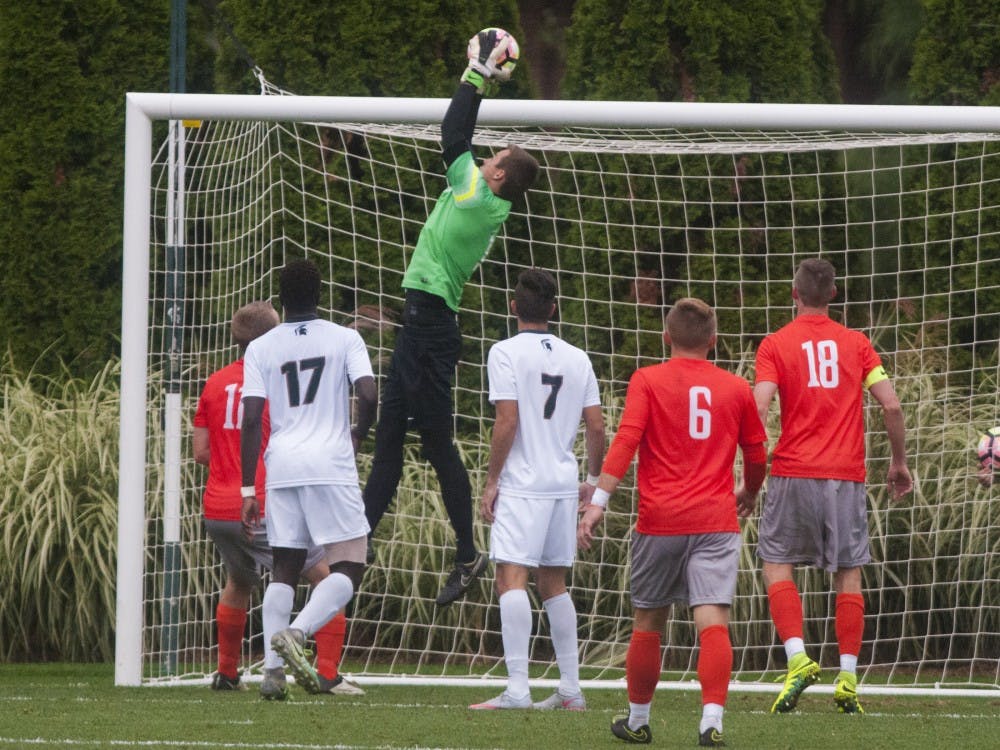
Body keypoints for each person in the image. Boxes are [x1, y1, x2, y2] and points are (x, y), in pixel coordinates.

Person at [363, 30, 541, 607]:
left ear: (495, 176)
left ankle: (466, 552)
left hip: (432, 329)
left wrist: (477, 74)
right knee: (390, 440)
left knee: (435, 445)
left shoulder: (474, 197)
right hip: (421, 323)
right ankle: (356, 549)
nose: (483, 157)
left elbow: (451, 135)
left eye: (492, 158)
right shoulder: (488, 197)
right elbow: (462, 140)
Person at [578, 298, 767, 747]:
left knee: (648, 621)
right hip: (715, 521)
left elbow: (626, 440)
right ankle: (711, 721)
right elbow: (758, 454)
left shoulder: (647, 379)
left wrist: (598, 501)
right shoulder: (736, 388)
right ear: (713, 341)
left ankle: (639, 720)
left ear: (666, 337)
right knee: (713, 620)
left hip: (659, 520)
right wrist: (750, 491)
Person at [753, 257, 913, 715]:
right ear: (835, 296)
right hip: (845, 478)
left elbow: (759, 407)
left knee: (776, 561)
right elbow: (892, 406)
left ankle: (799, 658)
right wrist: (898, 462)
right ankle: (846, 678)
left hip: (792, 472)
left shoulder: (775, 344)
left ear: (793, 294)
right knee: (849, 573)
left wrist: (749, 471)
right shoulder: (857, 344)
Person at [193, 300, 363, 697]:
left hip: (218, 507)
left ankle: (228, 673)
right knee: (326, 576)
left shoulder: (215, 382)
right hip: (264, 501)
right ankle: (326, 674)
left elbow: (200, 449)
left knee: (238, 581)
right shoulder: (272, 381)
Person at [467, 268, 605, 711]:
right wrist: (592, 480)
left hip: (523, 483)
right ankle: (570, 690)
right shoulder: (577, 356)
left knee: (511, 577)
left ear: (513, 307)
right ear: (554, 309)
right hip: (562, 483)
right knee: (554, 583)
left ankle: (518, 690)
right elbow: (597, 426)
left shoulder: (504, 352)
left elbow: (507, 420)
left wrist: (492, 481)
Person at [240, 259, 377, 698]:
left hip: (281, 466)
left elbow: (251, 418)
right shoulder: (345, 337)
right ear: (320, 295)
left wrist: (248, 487)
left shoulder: (260, 348)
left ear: (281, 298)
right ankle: (297, 634)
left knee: (284, 567)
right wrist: (359, 432)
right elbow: (369, 392)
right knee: (349, 565)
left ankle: (273, 675)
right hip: (329, 463)